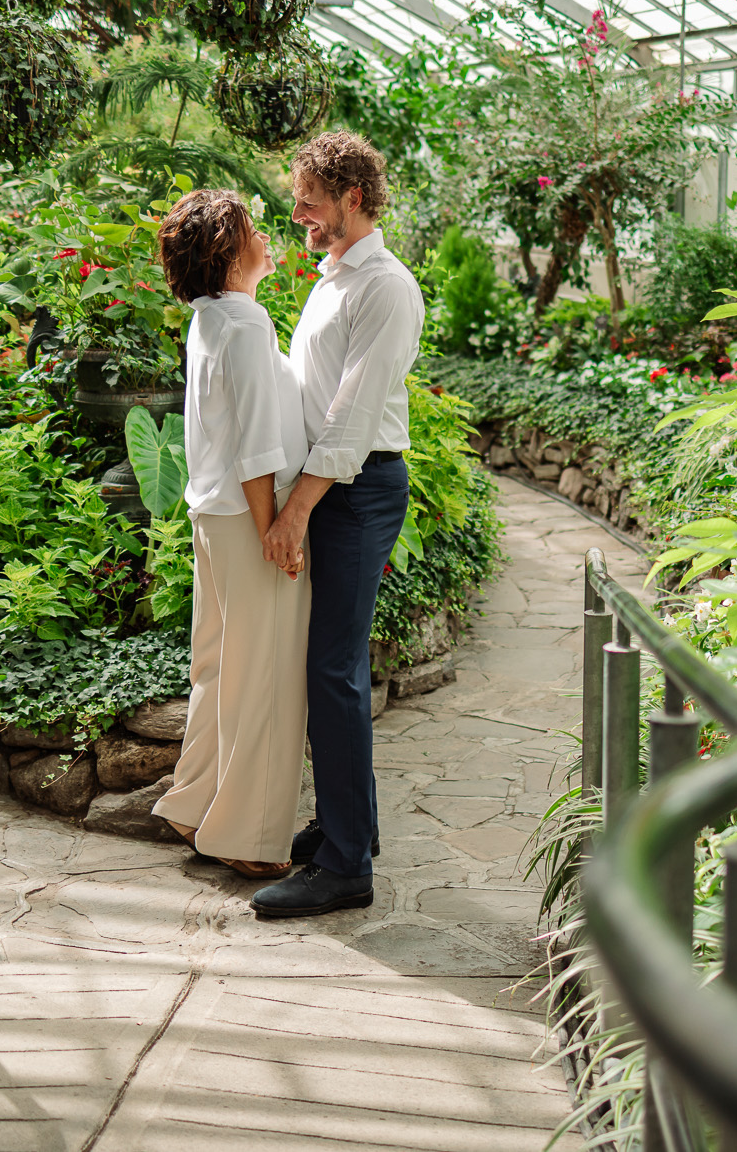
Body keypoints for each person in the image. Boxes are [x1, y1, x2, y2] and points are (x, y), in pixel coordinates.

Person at [252, 131, 424, 919]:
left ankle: (348, 867)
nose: (298, 215)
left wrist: (295, 508)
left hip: (355, 490)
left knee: (336, 671)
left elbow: (352, 423)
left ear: (353, 198)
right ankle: (346, 829)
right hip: (331, 488)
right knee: (327, 667)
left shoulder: (385, 289)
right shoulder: (332, 280)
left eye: (311, 202)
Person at [150, 190, 310, 879]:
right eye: (252, 228)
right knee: (265, 676)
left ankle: (194, 803)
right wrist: (275, 525)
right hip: (249, 516)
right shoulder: (243, 323)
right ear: (225, 248)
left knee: (220, 667)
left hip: (214, 513)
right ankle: (244, 835)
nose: (266, 235)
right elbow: (255, 445)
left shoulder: (209, 317)